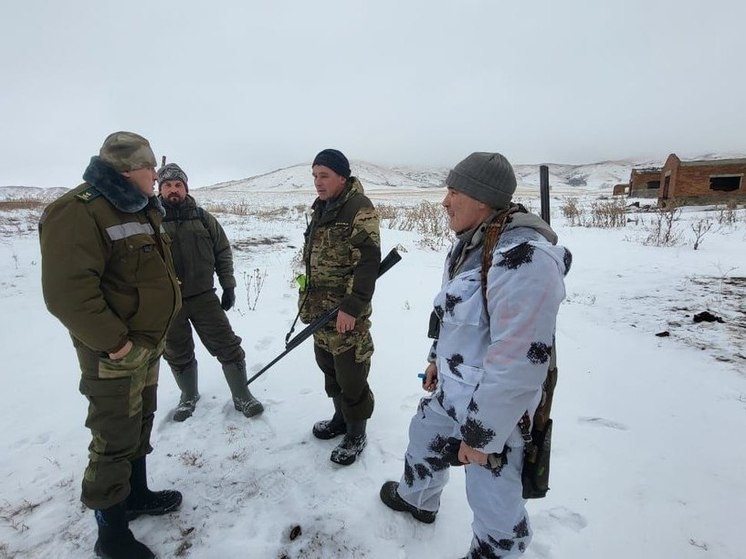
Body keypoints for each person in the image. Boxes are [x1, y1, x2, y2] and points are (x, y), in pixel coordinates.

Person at [379, 152, 571, 558]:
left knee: (494, 506)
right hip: (453, 389)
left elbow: (520, 361)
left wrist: (481, 437)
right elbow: (454, 317)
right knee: (423, 441)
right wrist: (436, 358)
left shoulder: (524, 258)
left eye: (454, 192)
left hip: (494, 414)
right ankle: (417, 498)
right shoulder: (471, 244)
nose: (445, 202)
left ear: (482, 198)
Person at [39, 132, 183, 559]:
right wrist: (118, 345)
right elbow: (68, 295)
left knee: (139, 425)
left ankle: (135, 495)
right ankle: (111, 535)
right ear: (127, 170)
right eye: (151, 168)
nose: (157, 176)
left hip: (145, 346)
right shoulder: (78, 212)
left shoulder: (138, 207)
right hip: (115, 355)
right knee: (112, 439)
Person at [157, 163, 264, 421]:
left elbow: (222, 252)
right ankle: (188, 396)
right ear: (159, 189)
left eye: (178, 185)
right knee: (177, 351)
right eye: (168, 185)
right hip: (168, 302)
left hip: (204, 296)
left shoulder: (203, 218)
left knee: (228, 346)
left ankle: (241, 395)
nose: (174, 190)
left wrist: (228, 285)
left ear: (186, 188)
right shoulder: (151, 221)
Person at [298, 149, 381, 466]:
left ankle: (356, 432)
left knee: (351, 376)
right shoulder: (322, 208)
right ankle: (340, 419)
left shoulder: (359, 209)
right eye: (315, 176)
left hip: (346, 313)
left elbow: (368, 262)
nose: (318, 183)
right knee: (329, 370)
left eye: (325, 176)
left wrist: (353, 306)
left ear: (342, 177)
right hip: (319, 313)